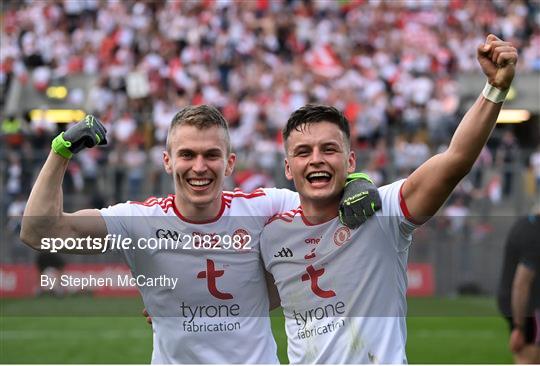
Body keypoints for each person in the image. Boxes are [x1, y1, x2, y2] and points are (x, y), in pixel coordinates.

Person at [20, 105, 380, 363]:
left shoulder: (263, 207)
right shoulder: (137, 221)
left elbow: (326, 191)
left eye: (211, 155)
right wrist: (61, 151)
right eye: (187, 155)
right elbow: (40, 231)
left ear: (230, 162)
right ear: (167, 161)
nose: (199, 167)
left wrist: (358, 182)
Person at [260, 34, 518, 363]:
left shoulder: (383, 212)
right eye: (303, 152)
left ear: (350, 161)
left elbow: (455, 160)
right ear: (287, 167)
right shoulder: (271, 236)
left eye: (329, 149)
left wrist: (494, 90)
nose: (316, 159)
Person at [497, 206, 540, 364]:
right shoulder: (535, 235)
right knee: (529, 359)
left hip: (517, 305)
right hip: (528, 309)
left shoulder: (523, 224)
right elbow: (521, 284)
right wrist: (519, 328)